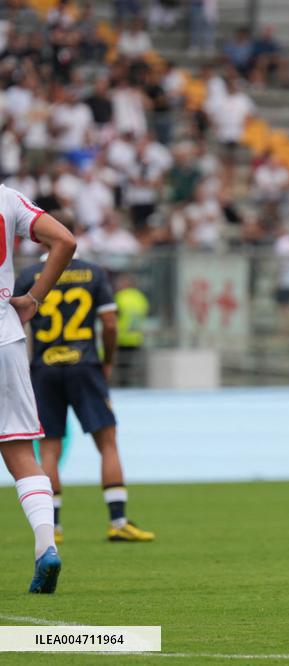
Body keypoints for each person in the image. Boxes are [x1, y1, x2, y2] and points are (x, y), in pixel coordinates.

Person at [15, 249, 155, 544]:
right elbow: (112, 323)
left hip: (44, 369)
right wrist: (108, 361)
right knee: (107, 443)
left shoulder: (28, 276)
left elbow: (14, 325)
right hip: (85, 366)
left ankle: (52, 526)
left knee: (50, 449)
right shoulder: (93, 272)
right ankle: (117, 521)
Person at [1, 185, 77, 592]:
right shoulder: (7, 198)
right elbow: (64, 240)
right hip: (6, 338)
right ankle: (46, 547)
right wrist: (33, 298)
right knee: (20, 456)